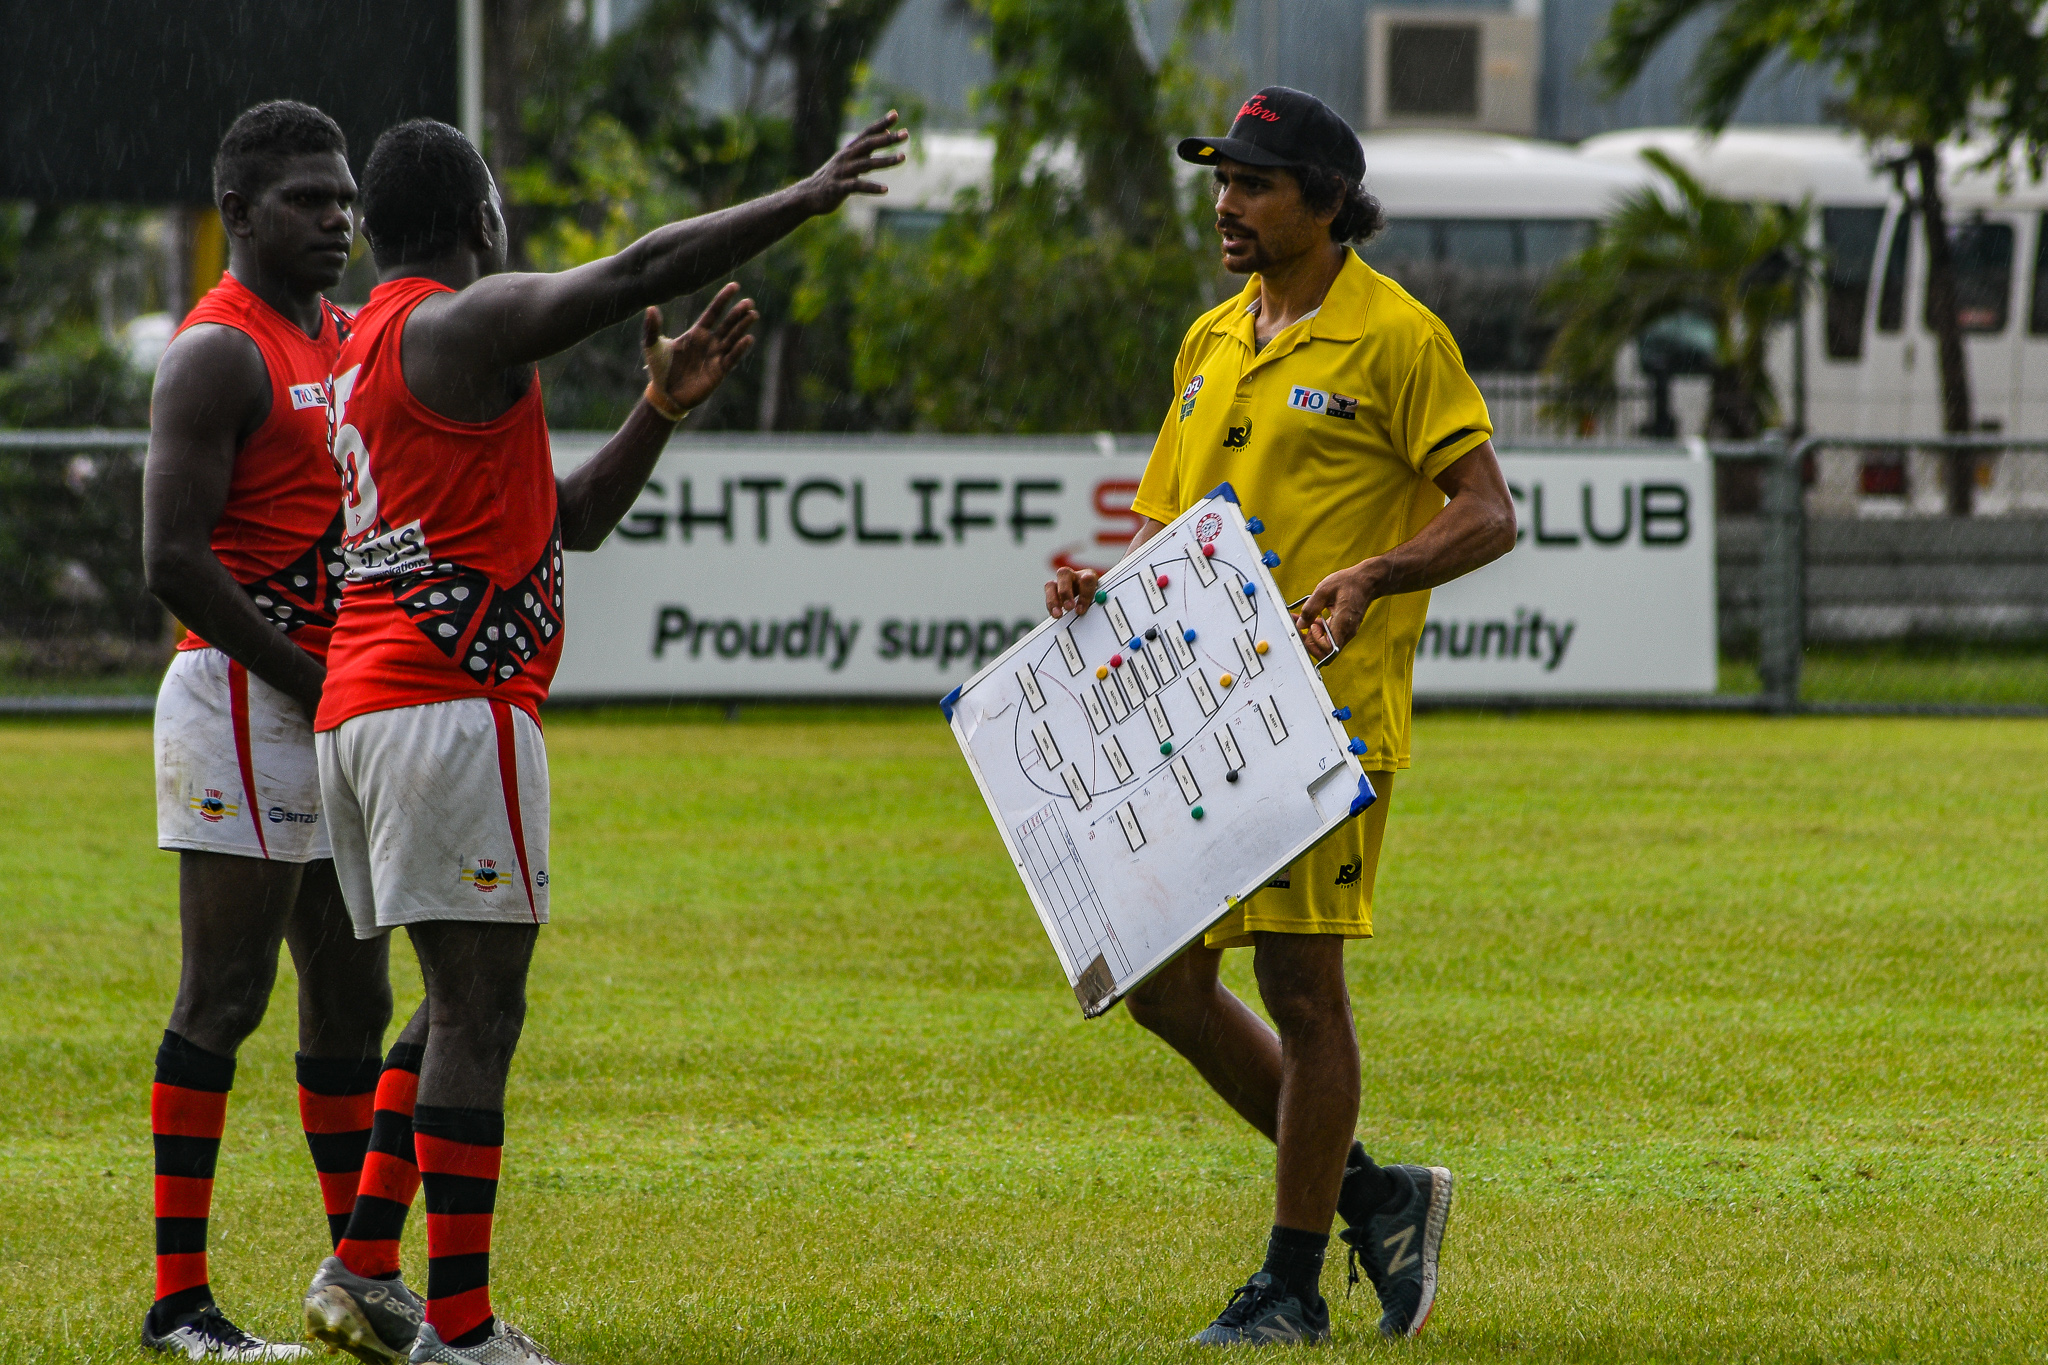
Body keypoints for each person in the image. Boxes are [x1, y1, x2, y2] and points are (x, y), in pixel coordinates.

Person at [296, 112, 906, 1365]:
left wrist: (658, 409)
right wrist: (801, 196)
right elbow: (632, 272)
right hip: (447, 709)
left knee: (449, 1000)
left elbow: (562, 519)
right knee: (481, 1014)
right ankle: (460, 1330)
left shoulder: (366, 345)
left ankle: (363, 1266)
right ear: (481, 223)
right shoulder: (452, 321)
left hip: (368, 709)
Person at [1043, 87, 1517, 1347]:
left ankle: (1291, 1287)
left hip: (1325, 729)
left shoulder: (1396, 339)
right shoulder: (1211, 339)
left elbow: (1487, 510)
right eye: (1220, 181)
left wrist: (1371, 575)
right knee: (1156, 984)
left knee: (1299, 992)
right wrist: (1103, 585)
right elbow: (1164, 528)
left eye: (1252, 183)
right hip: (1201, 723)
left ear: (1323, 200)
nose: (1224, 204)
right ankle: (1375, 1194)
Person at [141, 100, 398, 1362]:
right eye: (308, 199)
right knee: (226, 993)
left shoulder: (351, 337)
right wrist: (309, 673)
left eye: (346, 198)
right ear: (236, 213)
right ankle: (177, 1302)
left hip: (331, 703)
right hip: (244, 703)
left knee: (352, 998)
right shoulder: (216, 353)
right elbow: (171, 561)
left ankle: (356, 1279)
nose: (338, 220)